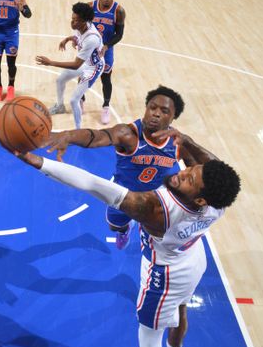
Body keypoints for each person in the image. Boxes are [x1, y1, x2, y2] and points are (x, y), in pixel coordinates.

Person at [1, 131, 241, 347]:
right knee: (181, 308)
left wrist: (38, 163)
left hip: (164, 275)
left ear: (200, 200)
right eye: (191, 169)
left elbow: (93, 185)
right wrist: (186, 141)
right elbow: (213, 163)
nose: (182, 173)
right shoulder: (218, 200)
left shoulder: (154, 209)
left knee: (149, 338)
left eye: (189, 179)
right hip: (193, 258)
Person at [47, 85, 187, 252]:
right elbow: (97, 137)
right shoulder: (128, 134)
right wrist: (69, 135)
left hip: (154, 195)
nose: (156, 113)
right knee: (115, 227)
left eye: (164, 111)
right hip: (123, 193)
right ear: (146, 108)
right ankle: (125, 230)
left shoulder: (178, 143)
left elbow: (202, 167)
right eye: (152, 107)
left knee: (158, 230)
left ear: (173, 118)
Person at [37, 2, 104, 130]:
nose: (72, 23)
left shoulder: (92, 39)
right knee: (60, 80)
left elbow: (75, 65)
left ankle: (78, 129)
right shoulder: (84, 26)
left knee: (74, 100)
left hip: (93, 68)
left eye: (76, 21)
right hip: (85, 62)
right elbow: (78, 35)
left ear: (84, 21)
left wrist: (50, 62)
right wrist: (68, 39)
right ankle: (60, 106)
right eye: (72, 19)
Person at [91, 0, 126, 125]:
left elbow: (119, 35)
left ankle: (106, 106)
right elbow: (80, 24)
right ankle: (81, 100)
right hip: (90, 49)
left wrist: (107, 46)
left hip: (106, 50)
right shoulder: (90, 6)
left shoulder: (119, 11)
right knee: (83, 76)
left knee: (106, 79)